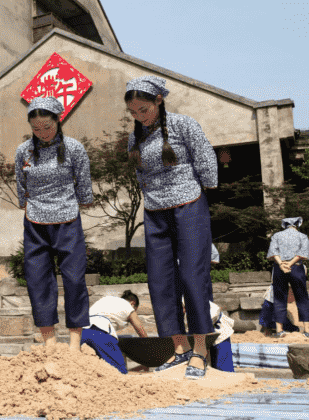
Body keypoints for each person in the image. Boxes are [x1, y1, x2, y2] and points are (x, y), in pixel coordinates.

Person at [125, 75, 218, 379]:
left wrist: (204, 191)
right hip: (155, 212)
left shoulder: (183, 124)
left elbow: (205, 157)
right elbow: (140, 175)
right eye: (134, 112)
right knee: (161, 282)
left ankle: (200, 350)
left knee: (193, 277)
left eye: (144, 110)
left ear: (158, 101)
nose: (139, 116)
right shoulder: (135, 137)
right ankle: (178, 349)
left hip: (189, 205)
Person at [15, 96, 93, 352]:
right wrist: (28, 205)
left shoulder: (74, 148)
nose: (42, 133)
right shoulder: (23, 151)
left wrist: (80, 202)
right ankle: (49, 339)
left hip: (67, 219)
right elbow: (21, 186)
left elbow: (83, 183)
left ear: (59, 121)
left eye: (47, 127)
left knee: (73, 279)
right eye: (36, 129)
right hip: (35, 222)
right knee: (37, 279)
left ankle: (74, 342)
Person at [81, 290, 148, 374]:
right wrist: (148, 352)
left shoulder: (106, 299)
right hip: (100, 333)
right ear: (132, 303)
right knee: (119, 373)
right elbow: (140, 328)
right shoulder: (127, 305)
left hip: (82, 333)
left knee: (91, 371)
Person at [266, 217, 309, 338]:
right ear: (298, 224)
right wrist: (290, 264)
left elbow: (273, 252)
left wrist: (281, 264)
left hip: (279, 267)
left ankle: (279, 330)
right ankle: (306, 330)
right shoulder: (302, 236)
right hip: (296, 267)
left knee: (280, 297)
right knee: (302, 297)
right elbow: (303, 254)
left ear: (284, 225)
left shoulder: (276, 235)